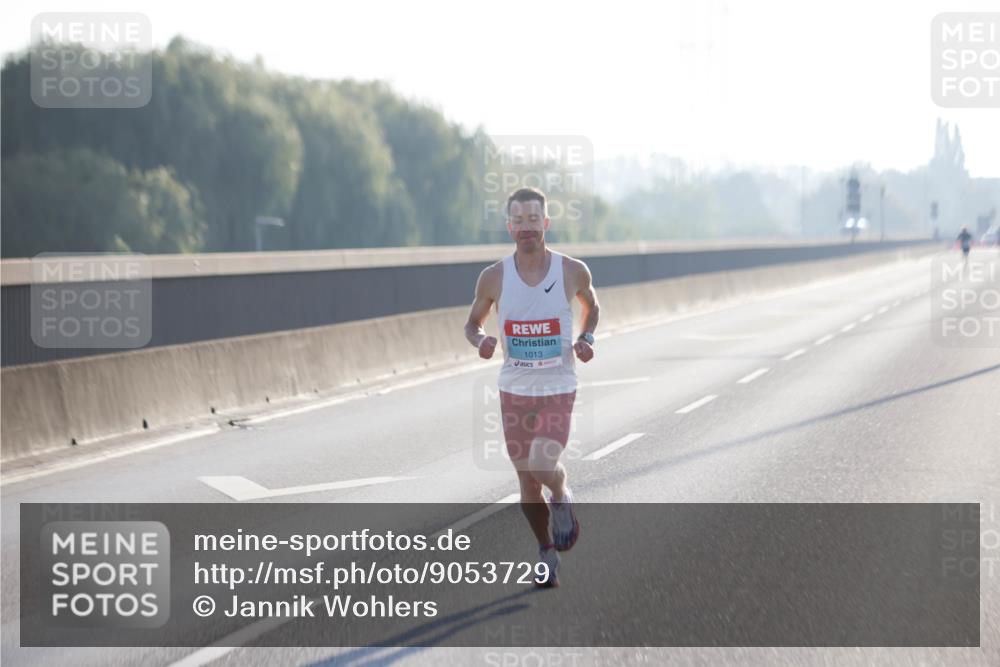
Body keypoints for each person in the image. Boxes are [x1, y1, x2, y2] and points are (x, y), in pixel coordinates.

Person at [464, 187, 599, 588]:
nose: (526, 227)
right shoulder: (493, 277)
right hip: (514, 391)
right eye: (518, 221)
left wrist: (586, 338)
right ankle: (545, 552)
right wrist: (481, 341)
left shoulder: (572, 270)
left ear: (546, 223)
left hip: (558, 385)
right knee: (525, 484)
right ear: (510, 227)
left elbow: (592, 306)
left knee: (542, 466)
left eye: (533, 219)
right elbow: (472, 323)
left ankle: (561, 493)